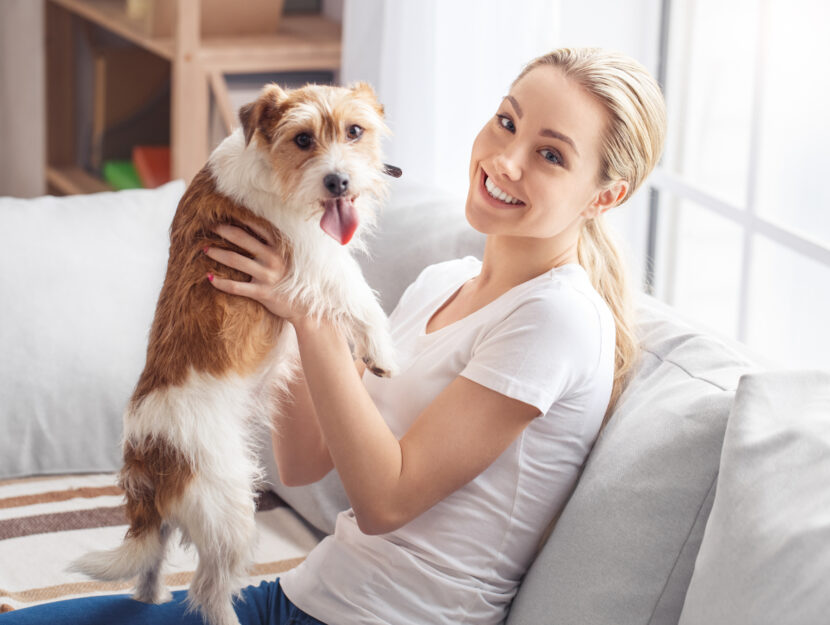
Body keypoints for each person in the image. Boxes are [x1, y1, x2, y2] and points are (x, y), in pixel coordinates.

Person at [3, 47, 666, 625]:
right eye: (506, 121)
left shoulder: (556, 318)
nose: (505, 158)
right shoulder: (446, 283)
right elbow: (303, 462)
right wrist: (283, 305)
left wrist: (309, 307)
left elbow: (385, 500)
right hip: (303, 598)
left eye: (550, 154)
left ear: (604, 196)